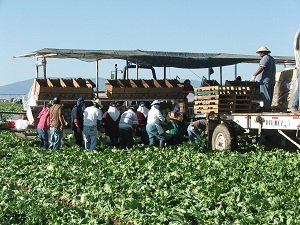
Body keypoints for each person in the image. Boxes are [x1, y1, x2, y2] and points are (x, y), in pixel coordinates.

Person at [251, 46, 276, 112]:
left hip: (265, 80)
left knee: (265, 95)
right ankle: (267, 108)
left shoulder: (265, 58)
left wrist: (254, 75)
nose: (260, 54)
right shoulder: (272, 58)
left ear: (265, 52)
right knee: (269, 95)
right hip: (271, 80)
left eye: (261, 52)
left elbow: (261, 67)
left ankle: (266, 109)